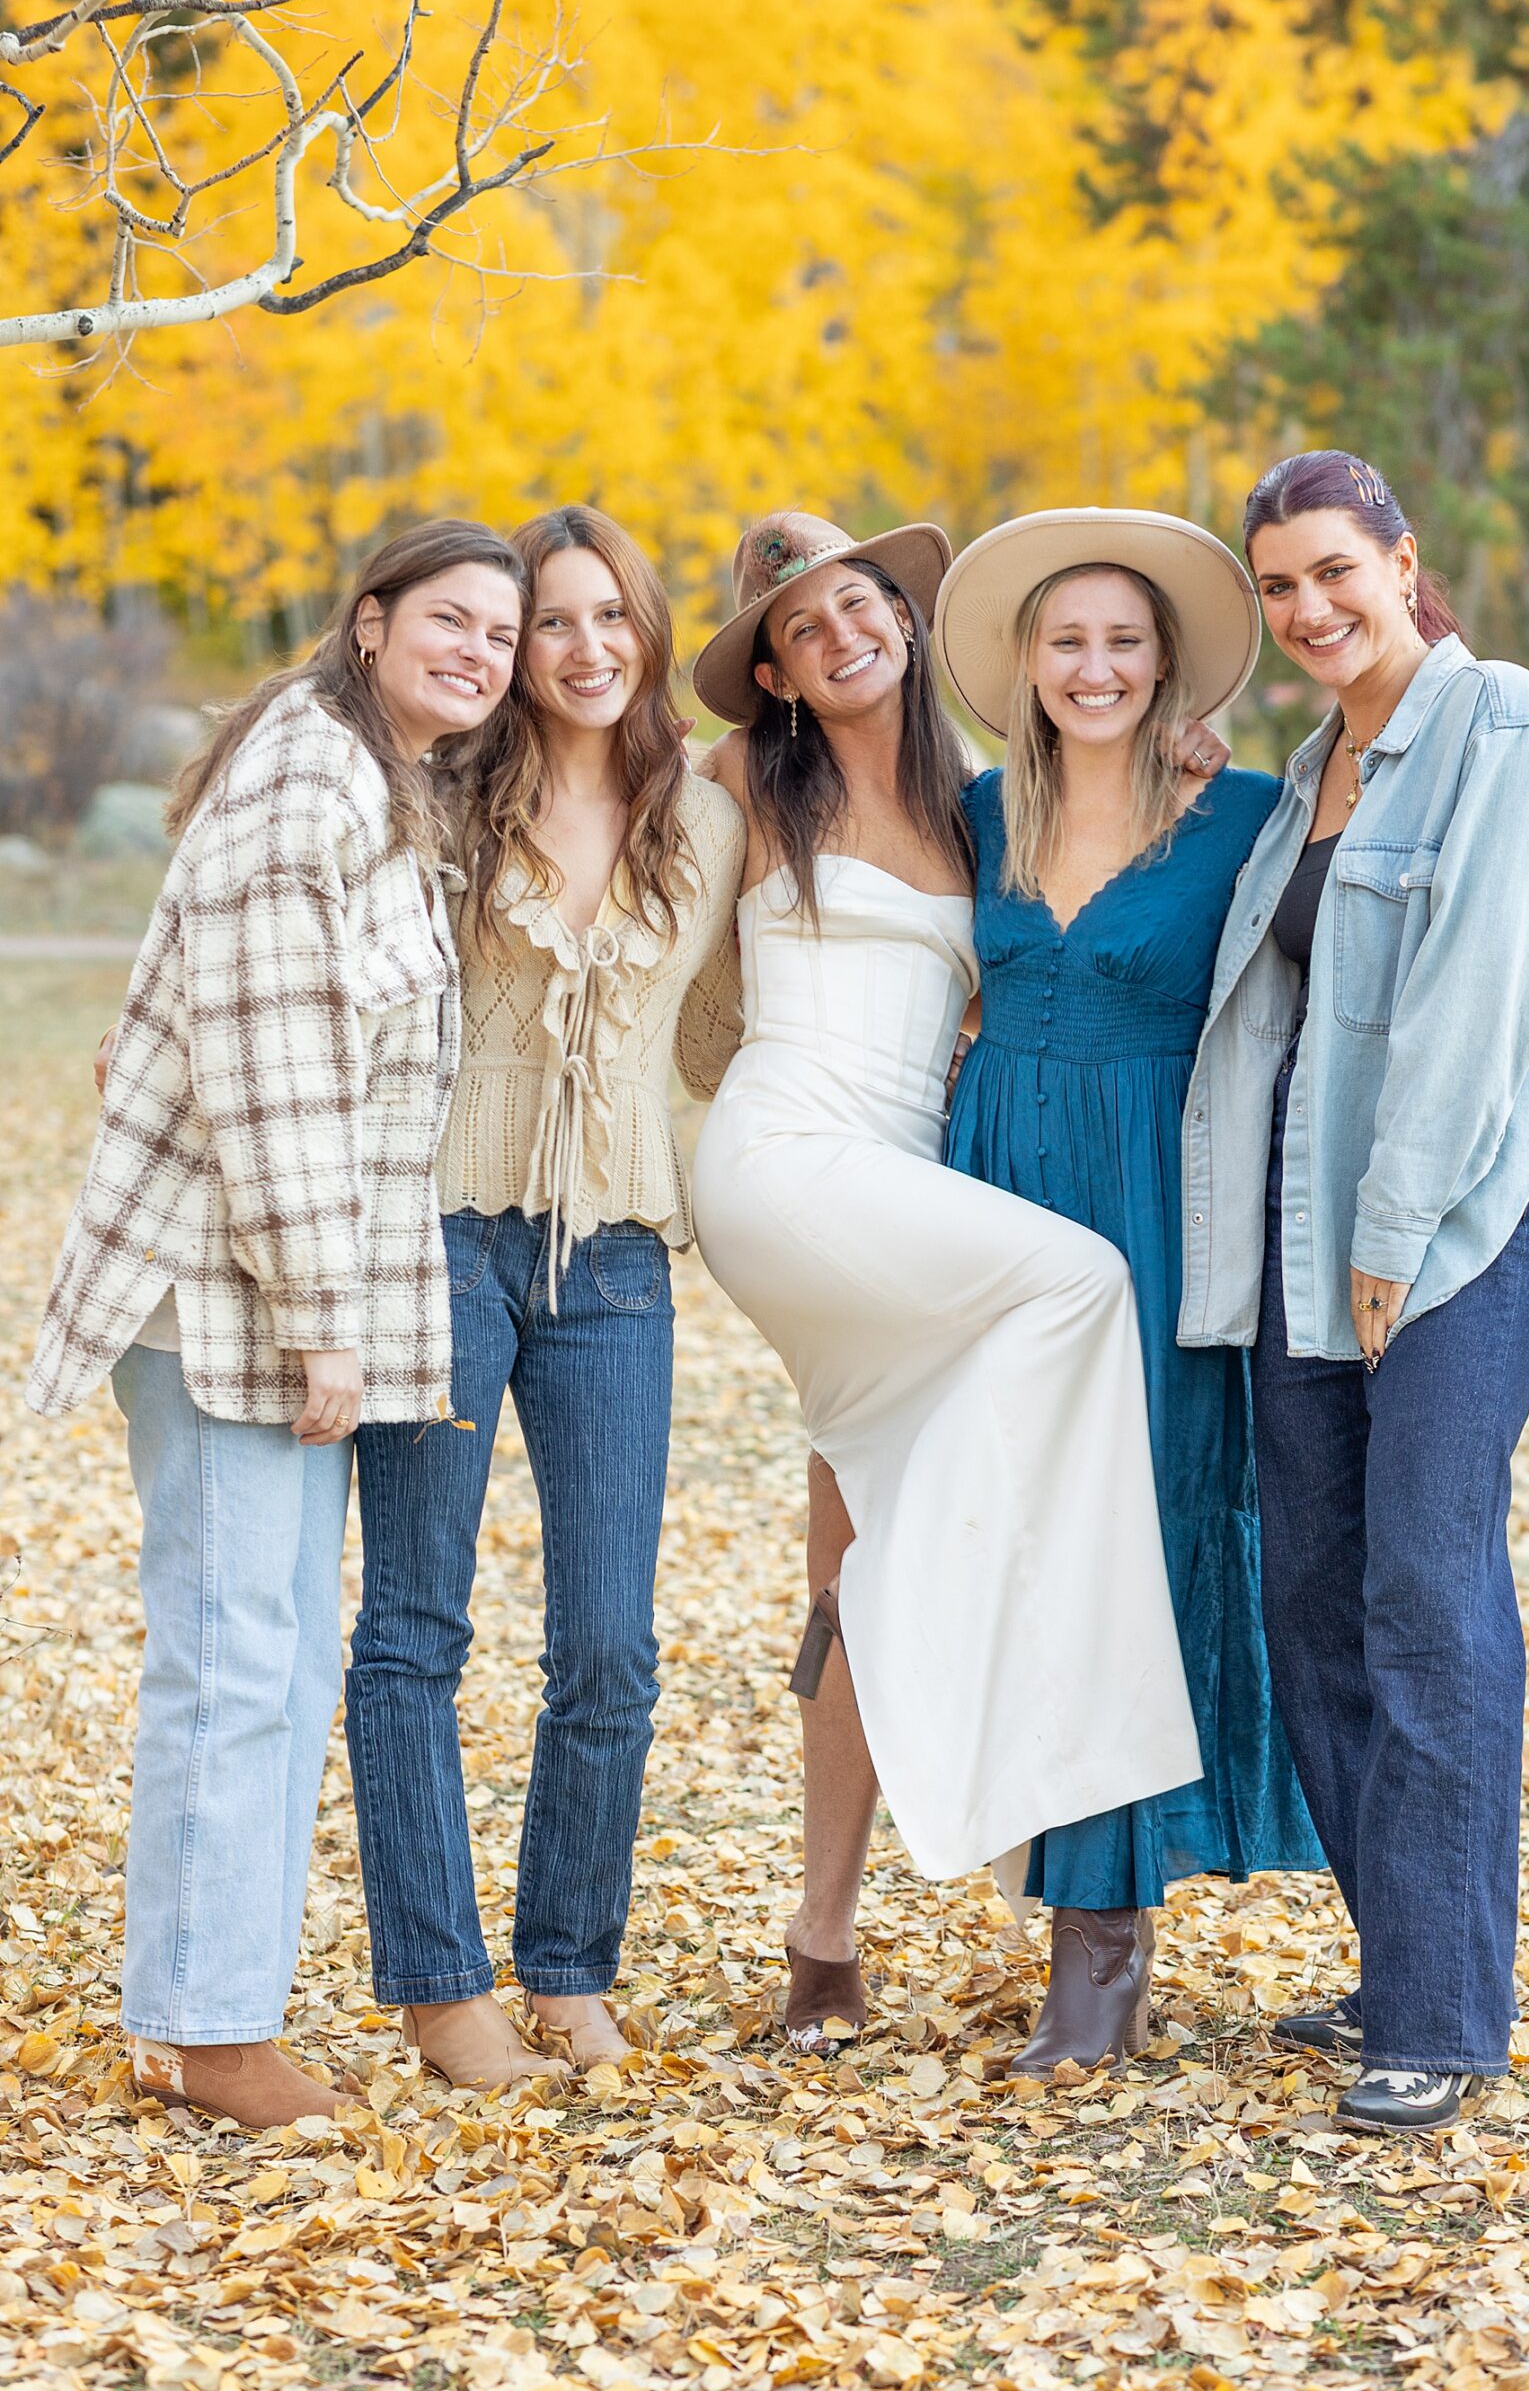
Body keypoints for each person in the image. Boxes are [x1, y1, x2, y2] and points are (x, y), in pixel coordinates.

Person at [687, 508, 1206, 2053]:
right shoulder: (737, 789)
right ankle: (1024, 1752)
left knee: (857, 1544)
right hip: (784, 1160)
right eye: (800, 626)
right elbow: (605, 900)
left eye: (859, 602)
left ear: (905, 624)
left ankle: (820, 1947)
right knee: (1084, 1288)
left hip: (912, 1190)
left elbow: (1089, 899)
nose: (839, 631)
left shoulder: (986, 814)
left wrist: (1180, 762)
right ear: (773, 676)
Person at [1180, 449, 1529, 2132]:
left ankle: (1442, 2018)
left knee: (1427, 1594)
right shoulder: (1315, 764)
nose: (1310, 609)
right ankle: (1406, 1956)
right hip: (1310, 1244)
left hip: (1455, 1230)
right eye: (1280, 587)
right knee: (1309, 1594)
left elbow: (1475, 998)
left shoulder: (1502, 727)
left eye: (1334, 571)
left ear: (1402, 555)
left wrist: (1395, 1228)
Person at [30, 522, 525, 2128]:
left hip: (288, 1293)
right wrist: (329, 1325)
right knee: (239, 1658)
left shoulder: (377, 784)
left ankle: (209, 2000)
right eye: (450, 618)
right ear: (368, 624)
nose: (480, 651)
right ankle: (207, 2031)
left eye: (501, 636)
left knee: (277, 1655)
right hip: (233, 1300)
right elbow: (273, 1080)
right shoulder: (306, 778)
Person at [345, 506, 746, 2088]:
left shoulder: (705, 820)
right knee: (413, 1632)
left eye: (610, 620)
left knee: (610, 1642)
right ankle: (442, 1991)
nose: (582, 650)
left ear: (648, 638)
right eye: (550, 623)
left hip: (619, 1259)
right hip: (441, 1234)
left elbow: (727, 1028)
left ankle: (571, 1970)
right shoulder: (440, 795)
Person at [935, 509, 1323, 2071]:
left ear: (1164, 667)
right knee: (1026, 1544)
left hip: (1163, 1210)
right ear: (1026, 665)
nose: (1095, 668)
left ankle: (1105, 1941)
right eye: (1067, 641)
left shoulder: (1243, 816)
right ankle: (1066, 1884)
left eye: (1124, 642)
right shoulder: (967, 816)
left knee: (1146, 1535)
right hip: (996, 1208)